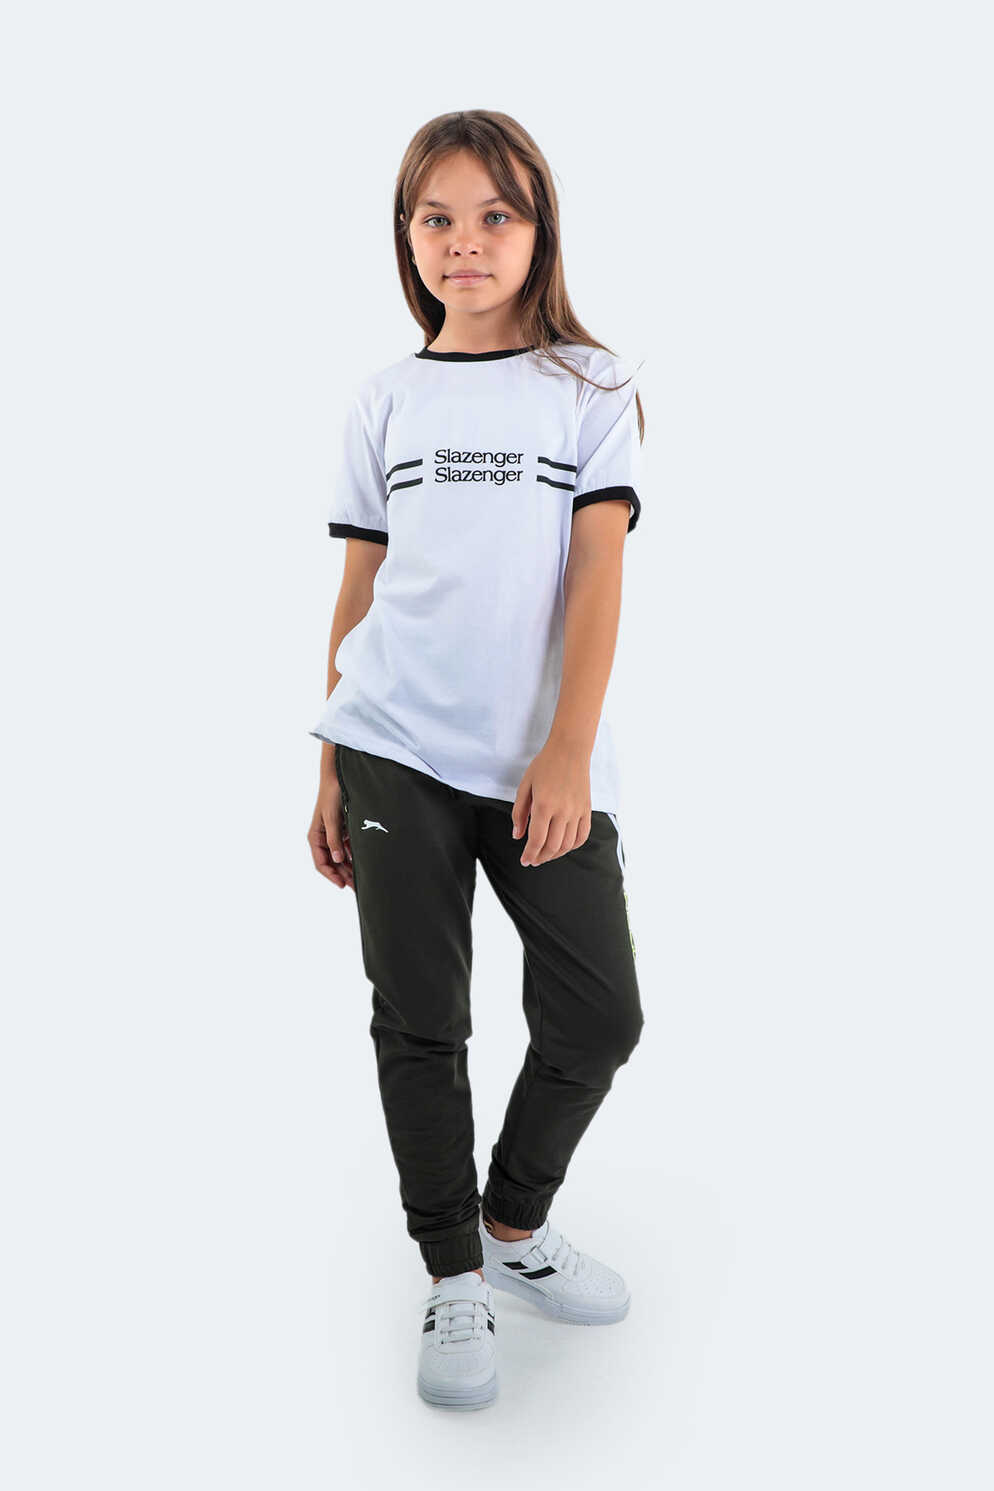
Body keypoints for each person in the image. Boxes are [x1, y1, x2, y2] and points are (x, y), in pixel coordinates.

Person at [306, 110, 646, 1411]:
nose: (465, 241)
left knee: (598, 1016)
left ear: (538, 228)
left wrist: (566, 750)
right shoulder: (383, 399)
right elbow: (361, 588)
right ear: (406, 237)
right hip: (390, 747)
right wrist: (328, 761)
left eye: (495, 215)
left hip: (538, 766)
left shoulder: (591, 389)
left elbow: (597, 577)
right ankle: (453, 1270)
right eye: (436, 218)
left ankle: (514, 1224)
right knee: (421, 1019)